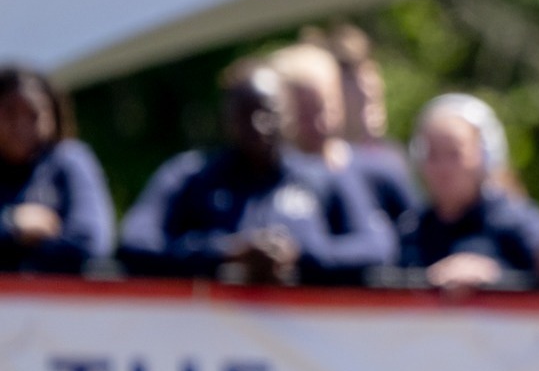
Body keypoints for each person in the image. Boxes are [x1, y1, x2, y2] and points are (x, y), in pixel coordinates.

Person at [120, 62, 398, 282]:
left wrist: (300, 256)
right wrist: (227, 253)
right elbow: (135, 242)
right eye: (245, 113)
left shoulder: (322, 177)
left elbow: (377, 247)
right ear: (226, 118)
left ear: (288, 114)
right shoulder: (191, 177)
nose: (258, 125)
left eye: (268, 112)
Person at [400, 93, 539, 290]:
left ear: (486, 156)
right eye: (432, 154)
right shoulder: (410, 229)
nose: (443, 168)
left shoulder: (520, 224)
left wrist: (497, 275)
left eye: (455, 154)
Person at [268, 38, 416, 228]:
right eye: (304, 115)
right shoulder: (274, 187)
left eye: (323, 108)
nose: (319, 124)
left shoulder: (381, 170)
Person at [0, 65, 114, 274]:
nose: (21, 125)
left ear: (53, 116)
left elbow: (93, 243)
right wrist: (11, 224)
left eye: (33, 115)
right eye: (10, 112)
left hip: (58, 300)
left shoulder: (69, 161)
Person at [320, 23, 419, 225]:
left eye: (370, 73)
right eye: (352, 77)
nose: (367, 89)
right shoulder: (313, 163)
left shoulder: (394, 159)